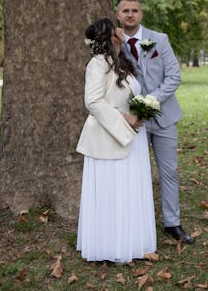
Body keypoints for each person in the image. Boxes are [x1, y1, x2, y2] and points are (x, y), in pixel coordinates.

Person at [116, 0, 194, 244]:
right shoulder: (113, 43)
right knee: (134, 174)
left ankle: (173, 224)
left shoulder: (159, 39)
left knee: (169, 171)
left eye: (134, 10)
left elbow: (174, 77)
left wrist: (148, 104)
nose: (130, 14)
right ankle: (136, 223)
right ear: (118, 14)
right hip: (131, 121)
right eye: (125, 10)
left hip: (163, 118)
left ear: (141, 14)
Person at [76, 18, 156, 263]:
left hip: (133, 137)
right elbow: (93, 102)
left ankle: (132, 241)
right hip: (109, 136)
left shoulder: (122, 62)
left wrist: (141, 112)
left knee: (131, 190)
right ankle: (110, 246)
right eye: (117, 28)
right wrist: (125, 118)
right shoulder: (97, 64)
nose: (122, 29)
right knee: (114, 192)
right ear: (110, 37)